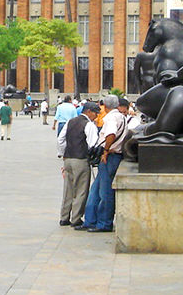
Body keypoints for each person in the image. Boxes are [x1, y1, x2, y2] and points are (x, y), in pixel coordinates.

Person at [80, 97, 133, 233]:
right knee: (96, 189)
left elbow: (111, 134)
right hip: (114, 155)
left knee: (105, 192)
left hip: (110, 156)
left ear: (105, 106)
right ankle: (91, 220)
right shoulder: (121, 117)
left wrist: (105, 150)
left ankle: (104, 223)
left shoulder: (111, 118)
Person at [57, 101, 98, 228]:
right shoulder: (89, 125)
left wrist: (62, 153)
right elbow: (93, 144)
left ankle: (64, 217)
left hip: (68, 158)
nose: (96, 116)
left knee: (68, 189)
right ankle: (76, 218)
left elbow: (60, 139)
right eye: (95, 113)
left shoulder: (70, 122)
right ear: (89, 112)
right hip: (81, 159)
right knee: (81, 189)